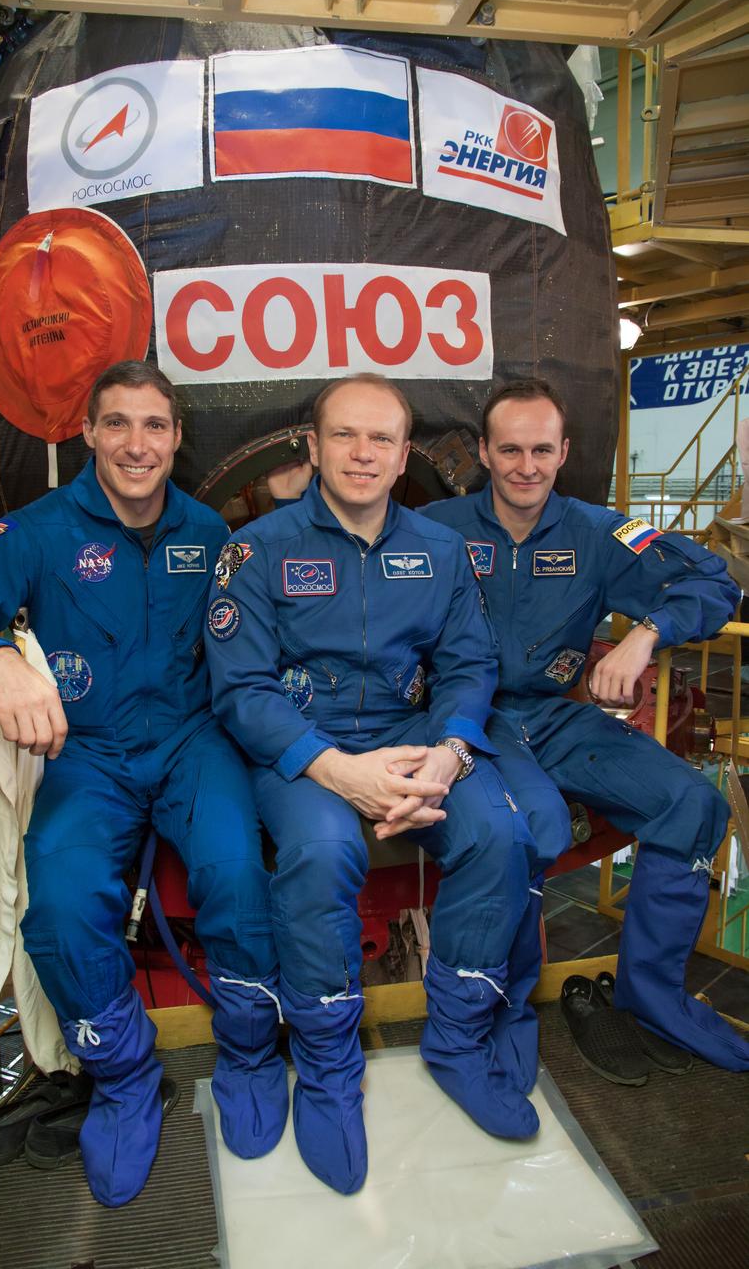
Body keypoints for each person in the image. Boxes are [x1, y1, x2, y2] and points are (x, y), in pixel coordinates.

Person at [0, 360, 287, 1206]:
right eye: (117, 423)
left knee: (235, 871)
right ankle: (123, 1076)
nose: (136, 444)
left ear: (176, 438)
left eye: (154, 426)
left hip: (192, 741)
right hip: (88, 752)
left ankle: (253, 1051)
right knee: (63, 908)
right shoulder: (36, 533)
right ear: (87, 434)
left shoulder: (209, 534)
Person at [204, 373, 538, 1197]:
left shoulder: (440, 550)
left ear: (402, 454)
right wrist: (334, 769)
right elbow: (240, 687)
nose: (362, 454)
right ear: (312, 447)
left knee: (498, 834)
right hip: (301, 748)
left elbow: (469, 664)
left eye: (380, 438)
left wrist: (450, 752)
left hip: (414, 740)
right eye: (344, 436)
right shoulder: (257, 549)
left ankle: (457, 1041)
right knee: (320, 853)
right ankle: (326, 1067)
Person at [421, 377, 748, 1082]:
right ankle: (493, 1010)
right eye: (510, 450)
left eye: (541, 450)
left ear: (564, 452)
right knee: (527, 827)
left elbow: (715, 582)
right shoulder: (432, 529)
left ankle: (651, 999)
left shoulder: (600, 532)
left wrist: (646, 634)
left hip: (551, 715)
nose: (526, 466)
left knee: (692, 804)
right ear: (484, 452)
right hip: (463, 718)